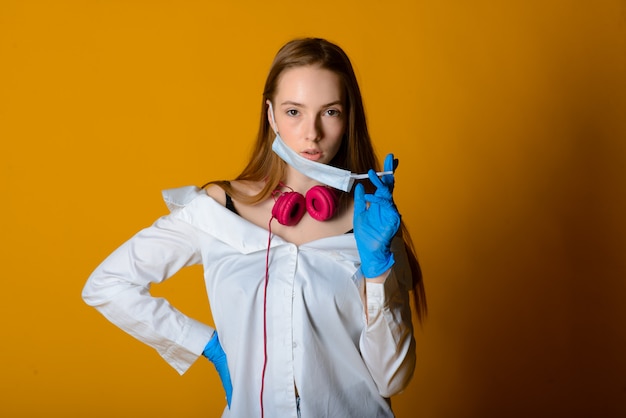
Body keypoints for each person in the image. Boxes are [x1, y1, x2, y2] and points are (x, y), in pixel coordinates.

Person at [82, 37, 426, 418]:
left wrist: (378, 273)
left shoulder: (373, 222)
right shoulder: (218, 209)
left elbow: (392, 379)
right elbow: (106, 284)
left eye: (330, 112)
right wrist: (208, 345)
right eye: (294, 111)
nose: (311, 133)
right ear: (271, 114)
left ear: (348, 119)